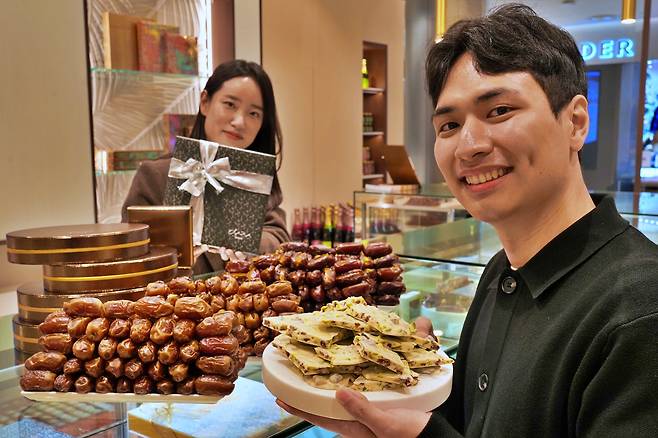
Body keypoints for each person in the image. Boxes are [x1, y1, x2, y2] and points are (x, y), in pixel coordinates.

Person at [276, 4, 658, 437]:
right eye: (450, 125)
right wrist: (409, 393)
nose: (469, 145)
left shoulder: (641, 310)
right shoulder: (502, 271)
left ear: (575, 122)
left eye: (499, 111)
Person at [122, 60, 290, 273]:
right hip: (173, 302)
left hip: (242, 301)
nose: (239, 121)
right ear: (205, 102)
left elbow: (278, 235)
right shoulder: (154, 176)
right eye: (230, 104)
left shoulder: (254, 178)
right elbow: (130, 251)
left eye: (253, 113)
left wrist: (248, 246)